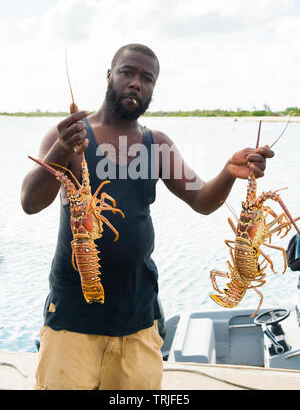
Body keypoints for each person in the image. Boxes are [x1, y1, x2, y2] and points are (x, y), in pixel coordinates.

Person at [21, 43, 274, 390]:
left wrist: (230, 172)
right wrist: (62, 149)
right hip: (72, 320)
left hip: (138, 318)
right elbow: (30, 203)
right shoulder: (68, 137)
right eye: (128, 72)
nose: (136, 83)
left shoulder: (158, 144)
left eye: (147, 78)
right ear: (110, 76)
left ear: (153, 88)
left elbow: (201, 199)